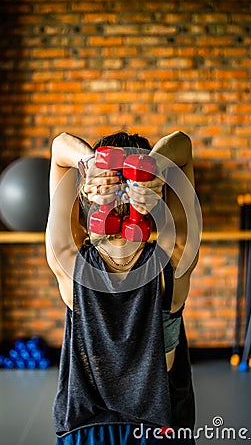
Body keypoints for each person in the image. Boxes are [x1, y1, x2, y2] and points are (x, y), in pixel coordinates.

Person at [46, 130, 201, 445]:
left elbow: (59, 149)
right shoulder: (174, 262)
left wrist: (92, 165)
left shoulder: (68, 262)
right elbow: (182, 146)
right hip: (157, 428)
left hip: (88, 429)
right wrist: (154, 168)